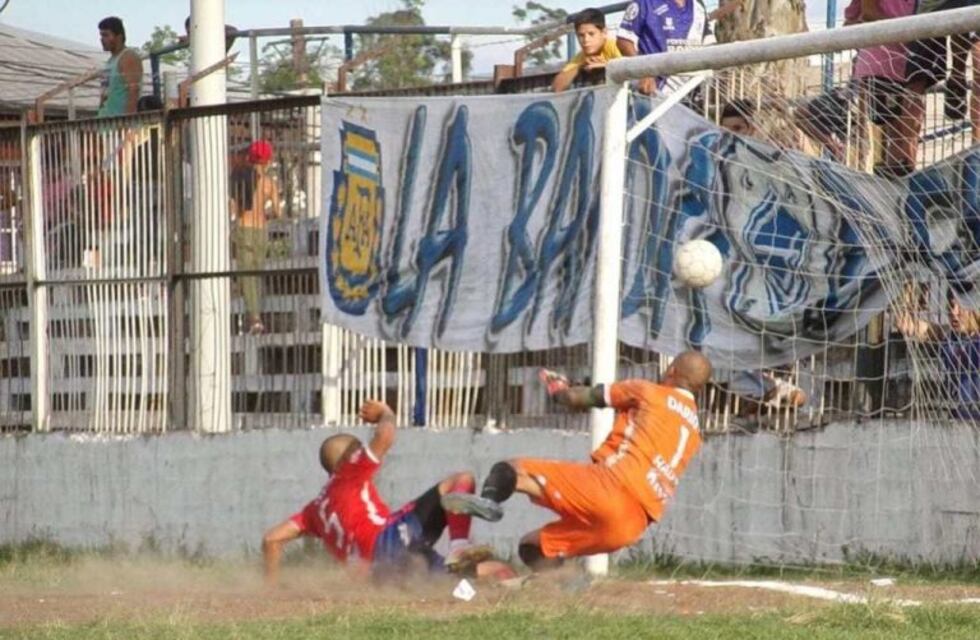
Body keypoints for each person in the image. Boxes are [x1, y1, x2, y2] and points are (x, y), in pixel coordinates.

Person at [442, 351, 712, 570]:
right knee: (532, 547)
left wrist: (559, 389)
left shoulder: (650, 392)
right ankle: (561, 585)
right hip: (631, 526)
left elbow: (577, 398)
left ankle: (490, 502)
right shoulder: (694, 432)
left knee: (512, 469)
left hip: (610, 487)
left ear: (673, 372)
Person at [262, 400, 514, 585]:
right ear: (352, 457)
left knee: (467, 576)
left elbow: (272, 540)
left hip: (378, 576)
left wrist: (271, 589)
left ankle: (504, 579)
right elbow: (386, 434)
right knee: (461, 479)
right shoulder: (349, 472)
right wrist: (385, 411)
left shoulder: (314, 510)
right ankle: (459, 545)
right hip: (389, 541)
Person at [794, 0, 915, 171]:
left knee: (891, 127)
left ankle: (894, 165)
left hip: (892, 71)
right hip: (866, 76)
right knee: (805, 114)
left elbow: (865, 17)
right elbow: (853, 22)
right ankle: (837, 148)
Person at [617, 0, 742, 95]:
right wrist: (642, 71)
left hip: (691, 92)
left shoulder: (697, 6)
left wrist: (736, 52)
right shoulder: (645, 3)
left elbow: (709, 45)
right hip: (655, 91)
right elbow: (624, 40)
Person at [894, 286, 980, 420]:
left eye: (961, 306)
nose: (953, 312)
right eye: (950, 306)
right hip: (961, 420)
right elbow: (917, 327)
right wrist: (907, 303)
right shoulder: (950, 337)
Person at [230, 140, 282, 334]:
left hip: (244, 228)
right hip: (261, 231)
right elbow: (278, 212)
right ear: (268, 161)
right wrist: (265, 214)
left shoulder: (240, 178)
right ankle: (256, 315)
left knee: (246, 275)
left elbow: (234, 208)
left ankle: (254, 318)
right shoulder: (270, 184)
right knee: (257, 274)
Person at [552, 9, 622, 92]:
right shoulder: (583, 56)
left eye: (591, 34)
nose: (586, 40)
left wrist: (606, 65)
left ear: (604, 32)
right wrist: (580, 66)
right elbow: (556, 87)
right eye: (581, 35)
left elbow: (631, 70)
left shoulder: (614, 46)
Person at [97, 17, 143, 117]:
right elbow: (105, 93)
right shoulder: (110, 61)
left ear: (119, 36)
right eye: (101, 35)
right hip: (104, 122)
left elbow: (134, 91)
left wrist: (128, 123)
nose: (102, 39)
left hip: (120, 124)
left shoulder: (128, 57)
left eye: (106, 35)